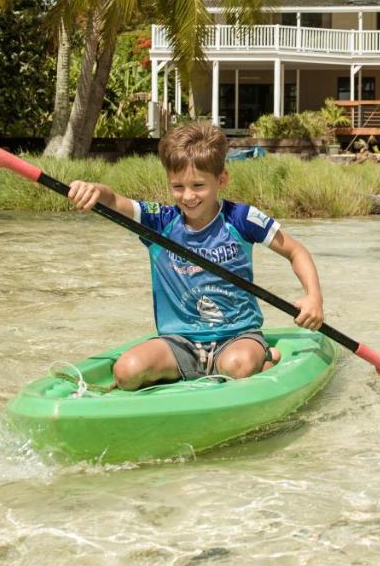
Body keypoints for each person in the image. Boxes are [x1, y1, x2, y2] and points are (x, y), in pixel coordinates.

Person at [66, 122, 325, 391]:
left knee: (239, 365)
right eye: (178, 186)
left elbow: (296, 251)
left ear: (221, 180)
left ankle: (264, 357)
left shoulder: (240, 218)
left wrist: (313, 297)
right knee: (126, 372)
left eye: (198, 185)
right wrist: (95, 190)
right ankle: (187, 371)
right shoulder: (160, 221)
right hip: (179, 342)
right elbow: (114, 201)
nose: (188, 196)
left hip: (236, 337)